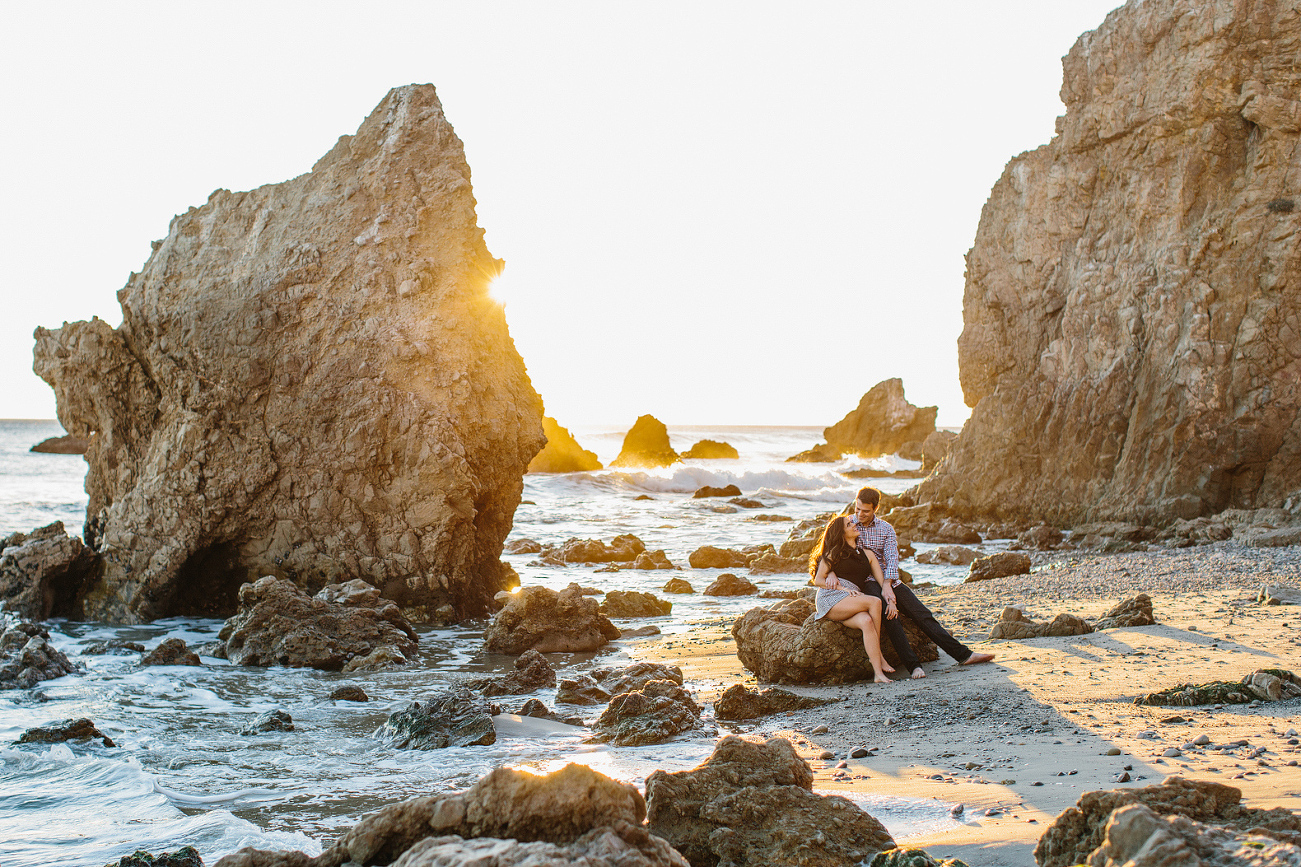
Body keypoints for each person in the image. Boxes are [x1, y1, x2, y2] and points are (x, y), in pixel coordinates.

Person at [850, 486, 996, 678]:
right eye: (857, 509)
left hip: (889, 580)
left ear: (876, 508)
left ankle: (964, 655)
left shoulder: (886, 529)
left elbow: (892, 559)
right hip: (867, 581)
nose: (860, 514)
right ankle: (913, 666)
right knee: (891, 617)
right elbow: (831, 550)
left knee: (922, 614)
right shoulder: (848, 525)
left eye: (865, 511)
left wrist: (888, 586)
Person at [808, 515, 895, 684]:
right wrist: (842, 588)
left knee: (867, 621)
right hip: (831, 598)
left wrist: (891, 601)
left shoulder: (868, 555)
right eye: (849, 525)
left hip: (851, 598)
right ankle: (880, 656)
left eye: (852, 522)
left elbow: (883, 582)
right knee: (874, 602)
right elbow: (818, 580)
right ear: (842, 533)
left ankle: (878, 674)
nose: (854, 524)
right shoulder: (835, 553)